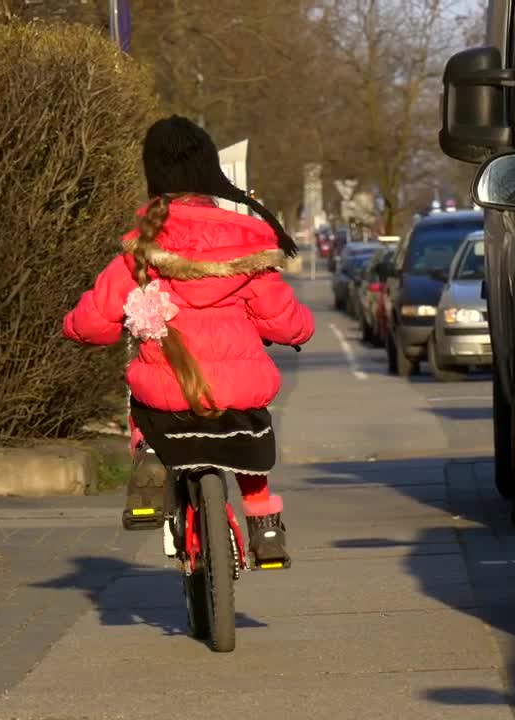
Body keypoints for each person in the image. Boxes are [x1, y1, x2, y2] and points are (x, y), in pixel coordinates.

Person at [63, 115, 314, 565]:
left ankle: (152, 461)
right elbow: (285, 323)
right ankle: (263, 520)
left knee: (145, 403)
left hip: (168, 398)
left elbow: (94, 322)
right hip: (237, 397)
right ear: (208, 171)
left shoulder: (141, 250)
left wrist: (76, 329)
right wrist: (295, 332)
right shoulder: (246, 247)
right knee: (249, 435)